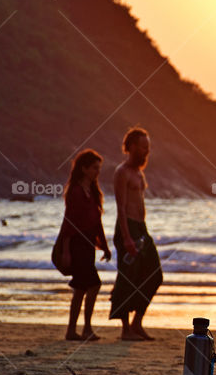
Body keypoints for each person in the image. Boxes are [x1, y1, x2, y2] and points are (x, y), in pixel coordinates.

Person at [109, 126, 162, 341]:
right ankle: (125, 330)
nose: (146, 151)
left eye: (148, 147)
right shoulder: (121, 172)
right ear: (131, 147)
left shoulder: (139, 172)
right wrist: (126, 237)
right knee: (127, 277)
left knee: (154, 274)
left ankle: (137, 323)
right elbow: (120, 207)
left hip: (141, 228)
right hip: (127, 228)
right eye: (143, 147)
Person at [59, 149, 111, 341]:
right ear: (84, 168)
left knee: (81, 288)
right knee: (92, 284)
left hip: (89, 244)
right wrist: (66, 251)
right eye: (95, 168)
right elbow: (68, 222)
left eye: (99, 168)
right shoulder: (75, 191)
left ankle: (74, 330)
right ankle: (83, 329)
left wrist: (104, 246)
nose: (98, 171)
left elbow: (97, 223)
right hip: (77, 244)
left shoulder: (94, 192)